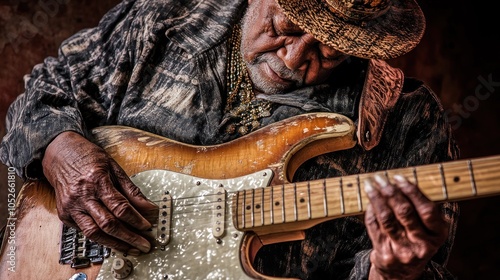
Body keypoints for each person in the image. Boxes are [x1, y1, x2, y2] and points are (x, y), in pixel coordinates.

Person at [0, 0, 460, 279]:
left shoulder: (406, 119)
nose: (295, 57)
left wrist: (392, 274)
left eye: (329, 50)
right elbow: (46, 88)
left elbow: (419, 269)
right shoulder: (165, 16)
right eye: (285, 26)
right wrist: (61, 150)